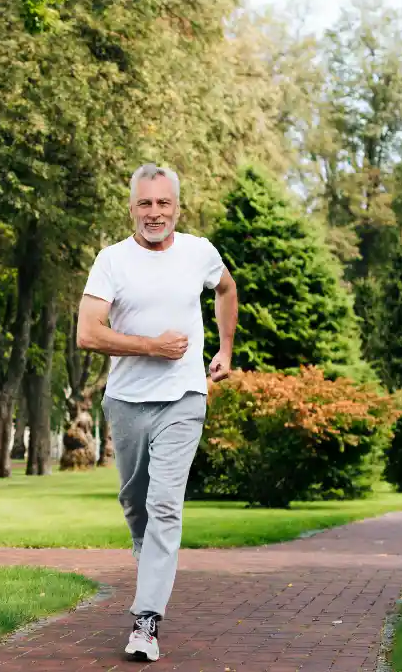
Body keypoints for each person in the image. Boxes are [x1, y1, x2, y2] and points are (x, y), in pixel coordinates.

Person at [76, 163, 239, 662]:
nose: (154, 213)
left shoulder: (200, 252)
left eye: (163, 203)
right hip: (126, 401)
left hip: (184, 397)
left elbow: (226, 289)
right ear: (132, 208)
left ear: (177, 207)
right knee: (137, 506)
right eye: (145, 204)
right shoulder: (112, 261)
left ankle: (146, 619)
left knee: (166, 505)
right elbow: (87, 333)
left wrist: (225, 350)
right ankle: (151, 567)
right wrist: (150, 346)